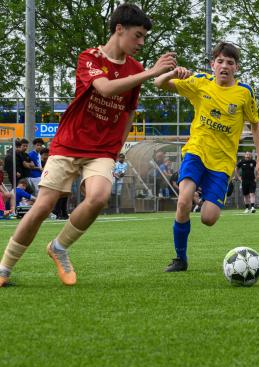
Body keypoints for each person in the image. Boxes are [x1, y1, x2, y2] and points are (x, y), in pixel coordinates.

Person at [0, 3, 177, 287]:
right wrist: (151, 72)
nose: (142, 43)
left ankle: (58, 248)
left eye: (144, 37)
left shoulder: (135, 68)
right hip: (69, 143)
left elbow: (129, 111)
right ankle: (4, 268)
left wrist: (116, 148)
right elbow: (106, 88)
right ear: (119, 29)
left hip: (102, 149)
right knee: (43, 206)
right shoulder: (89, 57)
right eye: (138, 35)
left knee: (98, 196)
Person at [154, 41, 259, 273]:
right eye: (220, 61)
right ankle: (180, 258)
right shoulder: (199, 82)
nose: (224, 66)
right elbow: (159, 83)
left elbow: (256, 126)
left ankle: (215, 191)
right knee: (184, 201)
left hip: (223, 162)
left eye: (230, 62)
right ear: (212, 64)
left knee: (208, 218)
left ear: (236, 68)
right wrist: (172, 73)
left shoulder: (244, 93)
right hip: (196, 151)